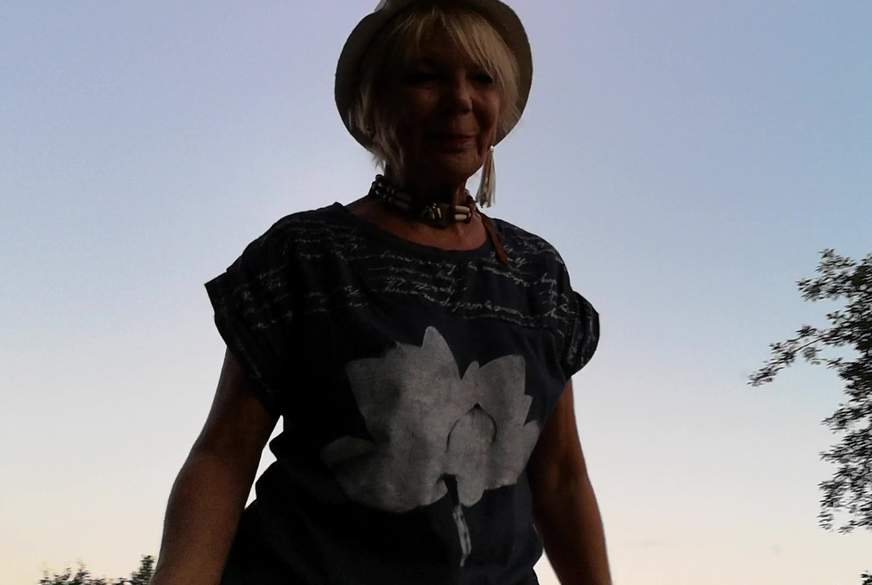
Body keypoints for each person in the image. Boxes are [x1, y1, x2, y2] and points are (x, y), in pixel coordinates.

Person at [152, 1, 611, 584]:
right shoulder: (306, 255)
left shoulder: (536, 274)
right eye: (426, 77)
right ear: (376, 103)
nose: (460, 99)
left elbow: (561, 477)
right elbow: (224, 455)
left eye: (482, 78)